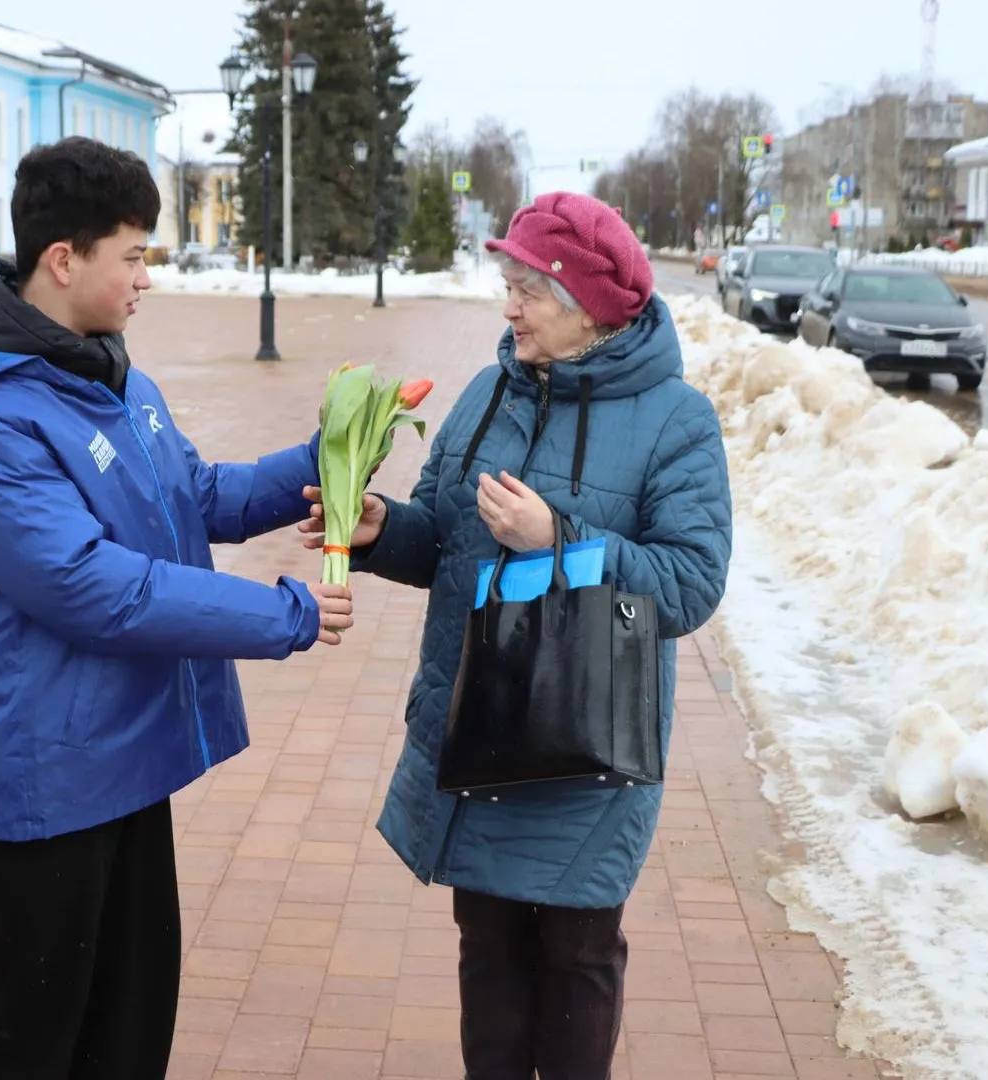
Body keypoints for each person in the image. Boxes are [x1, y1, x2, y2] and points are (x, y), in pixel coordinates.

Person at [0, 136, 354, 1080]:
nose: (148, 276)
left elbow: (196, 497)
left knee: (131, 1018)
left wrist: (327, 458)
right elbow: (94, 588)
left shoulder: (114, 381)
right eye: (136, 254)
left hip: (129, 758)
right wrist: (285, 615)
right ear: (63, 261)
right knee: (28, 1037)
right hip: (54, 777)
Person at [302, 192, 733, 1079]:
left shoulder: (675, 421)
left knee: (575, 960)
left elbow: (691, 586)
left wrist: (563, 542)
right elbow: (445, 536)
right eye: (508, 284)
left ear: (587, 307)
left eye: (527, 290)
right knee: (487, 954)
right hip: (479, 731)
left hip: (584, 749)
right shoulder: (488, 392)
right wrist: (385, 528)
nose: (508, 307)